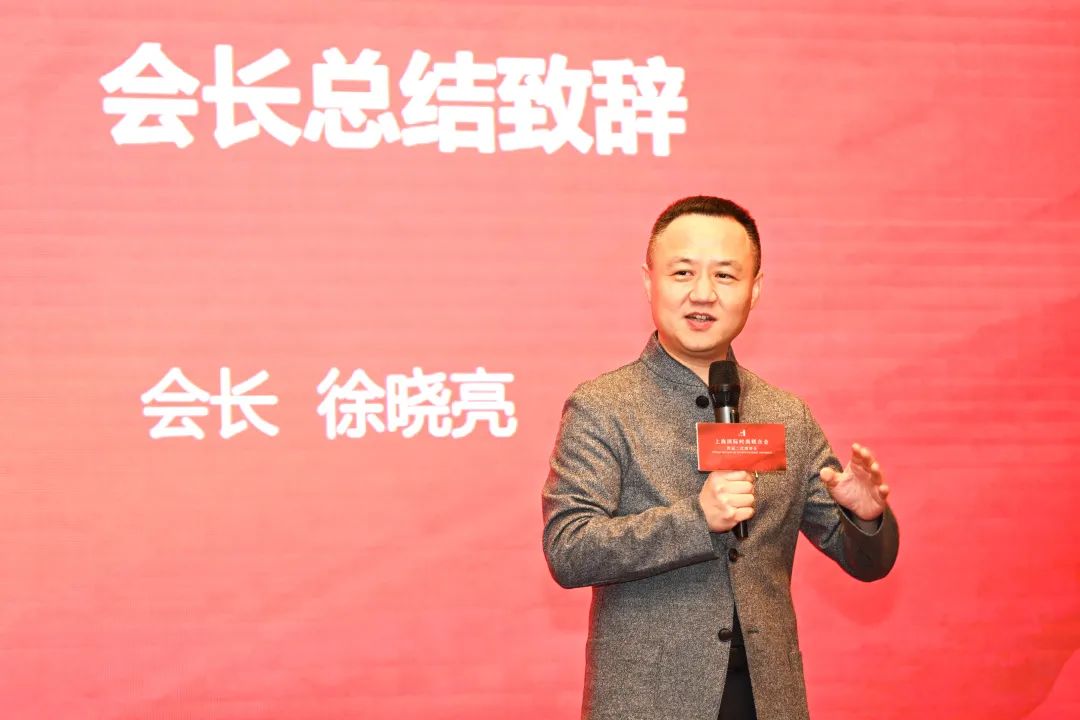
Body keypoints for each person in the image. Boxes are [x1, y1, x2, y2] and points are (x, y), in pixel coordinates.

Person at [541, 196, 899, 720]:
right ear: (649, 282)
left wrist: (863, 517)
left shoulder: (786, 414)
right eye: (683, 272)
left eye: (725, 275)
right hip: (650, 704)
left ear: (755, 289)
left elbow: (866, 562)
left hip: (766, 702)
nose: (703, 293)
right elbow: (569, 549)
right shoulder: (603, 407)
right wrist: (696, 519)